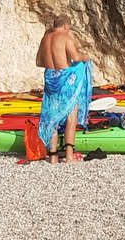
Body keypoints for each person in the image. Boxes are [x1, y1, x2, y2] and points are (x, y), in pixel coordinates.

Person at [35, 16, 93, 164]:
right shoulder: (66, 38)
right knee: (71, 115)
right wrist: (85, 57)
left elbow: (39, 62)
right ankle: (69, 156)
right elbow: (75, 55)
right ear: (66, 26)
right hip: (66, 79)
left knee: (52, 115)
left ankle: (53, 156)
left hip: (50, 77)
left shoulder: (45, 38)